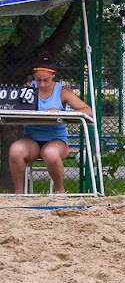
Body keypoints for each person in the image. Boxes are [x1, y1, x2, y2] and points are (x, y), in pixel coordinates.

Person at [8, 54, 92, 194]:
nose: (42, 84)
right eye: (38, 80)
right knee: (15, 150)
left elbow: (88, 111)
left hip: (56, 139)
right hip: (32, 140)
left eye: (46, 80)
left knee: (51, 153)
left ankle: (60, 192)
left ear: (53, 75)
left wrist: (60, 112)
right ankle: (19, 194)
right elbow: (12, 106)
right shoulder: (28, 89)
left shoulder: (62, 91)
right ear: (34, 76)